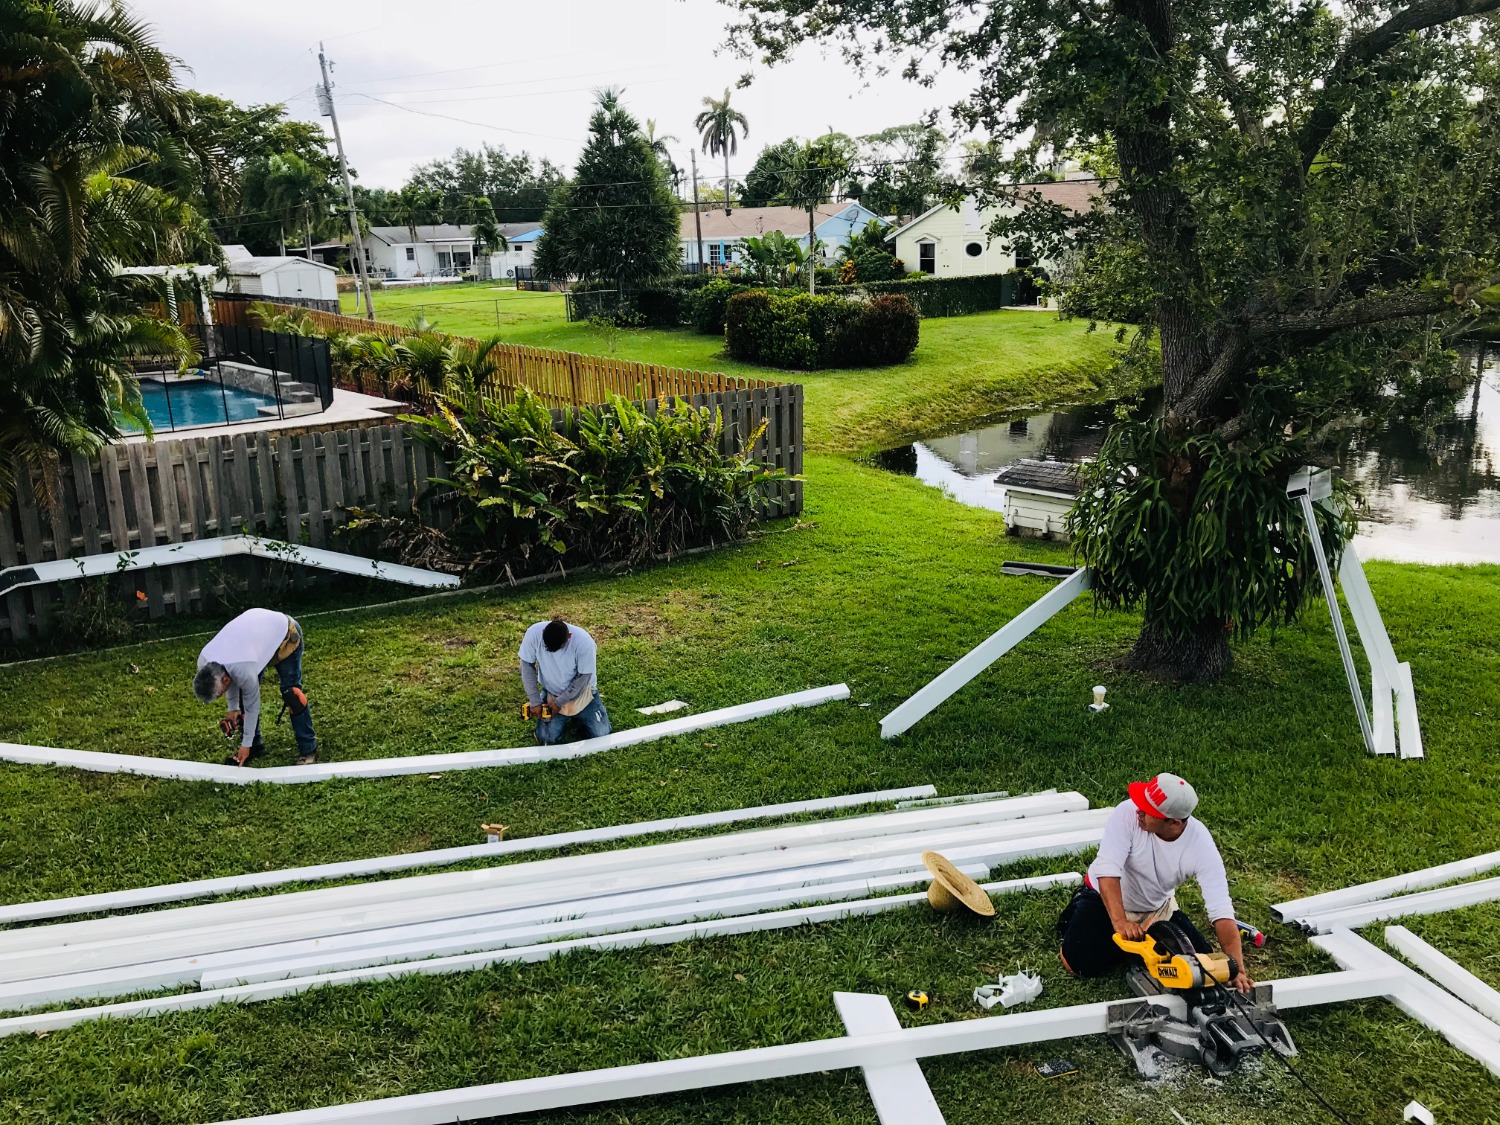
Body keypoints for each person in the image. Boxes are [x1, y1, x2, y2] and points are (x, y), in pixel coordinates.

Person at [1057, 772, 1254, 994]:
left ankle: (1137, 939)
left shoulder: (1200, 845)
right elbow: (1108, 870)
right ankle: (1079, 911)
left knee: (1200, 971)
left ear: (1174, 823)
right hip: (1105, 898)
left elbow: (1221, 909)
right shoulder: (1127, 813)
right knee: (1078, 965)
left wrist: (1237, 968)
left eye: (1148, 811)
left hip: (1156, 908)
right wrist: (1120, 922)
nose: (1139, 810)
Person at [193, 608, 317, 766]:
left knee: (292, 694)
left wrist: (245, 745)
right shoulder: (204, 661)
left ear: (224, 680)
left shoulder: (243, 668)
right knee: (241, 694)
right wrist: (233, 709)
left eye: (218, 695)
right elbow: (229, 673)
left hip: (285, 636)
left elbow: (252, 707)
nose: (220, 696)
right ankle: (255, 747)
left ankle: (308, 750)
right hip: (254, 644)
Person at [518, 617, 610, 745]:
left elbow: (583, 679)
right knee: (546, 739)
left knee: (601, 735)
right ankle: (555, 713)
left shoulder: (584, 643)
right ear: (543, 632)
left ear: (569, 637)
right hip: (552, 692)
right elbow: (526, 665)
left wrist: (559, 703)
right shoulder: (534, 633)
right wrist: (535, 701)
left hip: (583, 693)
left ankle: (580, 718)